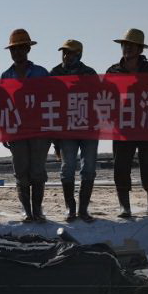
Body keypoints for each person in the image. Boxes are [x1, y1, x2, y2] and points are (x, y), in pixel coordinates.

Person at [106, 28, 148, 218]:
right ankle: (124, 206)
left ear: (140, 49)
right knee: (121, 166)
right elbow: (105, 97)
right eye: (125, 45)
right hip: (123, 127)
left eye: (132, 45)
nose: (127, 48)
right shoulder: (113, 71)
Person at [0, 29, 51, 222]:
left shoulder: (41, 73)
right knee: (21, 172)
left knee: (37, 171)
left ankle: (37, 209)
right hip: (16, 131)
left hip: (39, 130)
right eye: (14, 49)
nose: (17, 52)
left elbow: (52, 99)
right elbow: (1, 105)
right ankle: (26, 210)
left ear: (28, 49)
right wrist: (3, 130)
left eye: (21, 48)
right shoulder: (5, 76)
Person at [49, 40, 98, 223]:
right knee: (67, 167)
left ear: (79, 54)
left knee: (89, 168)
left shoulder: (89, 73)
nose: (66, 56)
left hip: (88, 127)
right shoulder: (55, 73)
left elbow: (99, 98)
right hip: (66, 128)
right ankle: (70, 208)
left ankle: (83, 209)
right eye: (64, 52)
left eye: (70, 53)